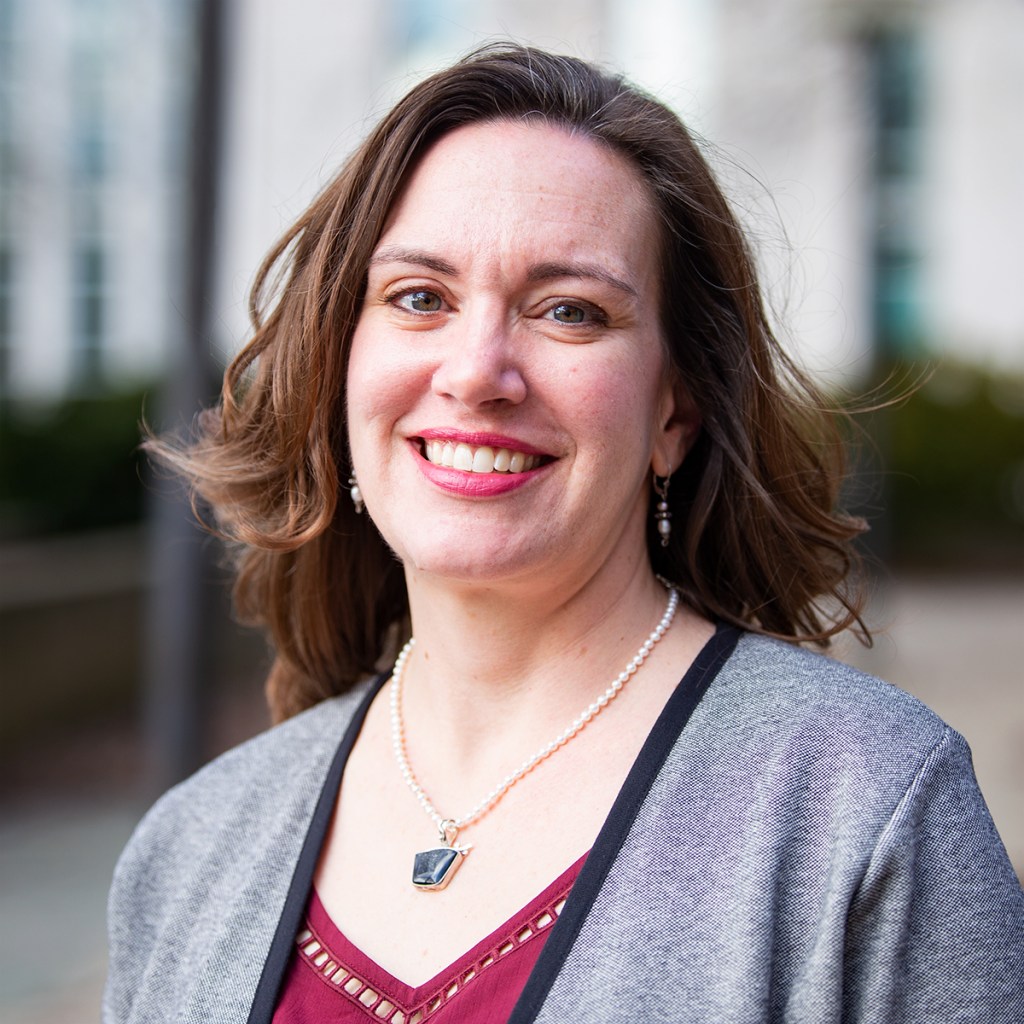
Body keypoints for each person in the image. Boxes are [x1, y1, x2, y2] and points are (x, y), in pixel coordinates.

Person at [104, 44, 1023, 1023]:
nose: (475, 370)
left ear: (675, 411)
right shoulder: (189, 852)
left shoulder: (862, 809)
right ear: (340, 363)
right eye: (420, 297)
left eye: (569, 312)